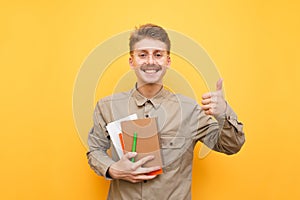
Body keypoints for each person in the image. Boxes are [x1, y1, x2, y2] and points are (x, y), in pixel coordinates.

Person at [87, 23, 245, 200]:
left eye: (158, 54)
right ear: (132, 61)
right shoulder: (107, 106)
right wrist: (112, 169)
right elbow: (95, 150)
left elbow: (231, 146)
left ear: (168, 61)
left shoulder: (190, 110)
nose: (150, 61)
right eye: (142, 55)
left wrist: (223, 113)